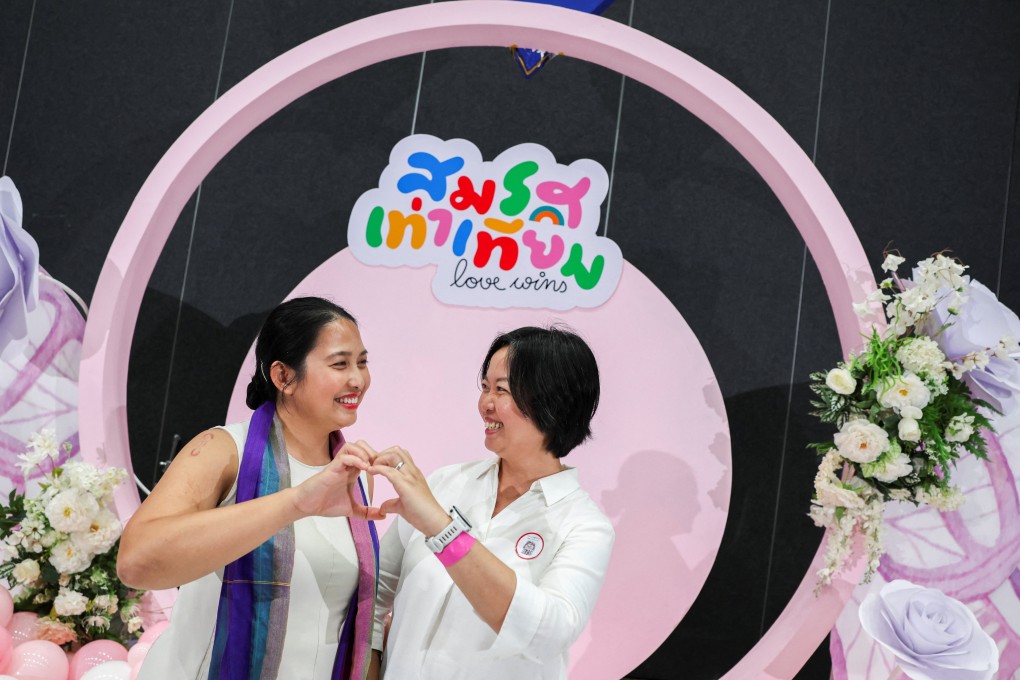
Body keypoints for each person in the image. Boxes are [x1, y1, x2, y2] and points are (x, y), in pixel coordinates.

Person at [118, 297, 384, 680]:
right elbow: (136, 562)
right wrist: (296, 502)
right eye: (340, 363)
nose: (358, 379)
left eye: (362, 362)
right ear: (283, 377)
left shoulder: (357, 475)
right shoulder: (224, 450)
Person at [366, 326, 615, 680]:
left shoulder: (585, 526)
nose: (486, 403)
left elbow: (549, 634)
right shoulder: (444, 482)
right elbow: (374, 594)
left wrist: (443, 530)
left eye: (502, 390)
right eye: (485, 387)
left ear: (552, 402)